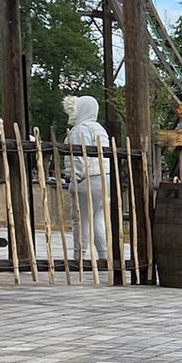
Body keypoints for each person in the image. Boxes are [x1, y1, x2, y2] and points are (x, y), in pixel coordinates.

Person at [65, 95, 112, 260]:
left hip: (88, 178)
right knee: (98, 217)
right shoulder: (100, 128)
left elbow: (78, 156)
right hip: (104, 177)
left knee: (81, 218)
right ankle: (104, 255)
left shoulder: (80, 129)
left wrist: (75, 178)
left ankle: (79, 255)